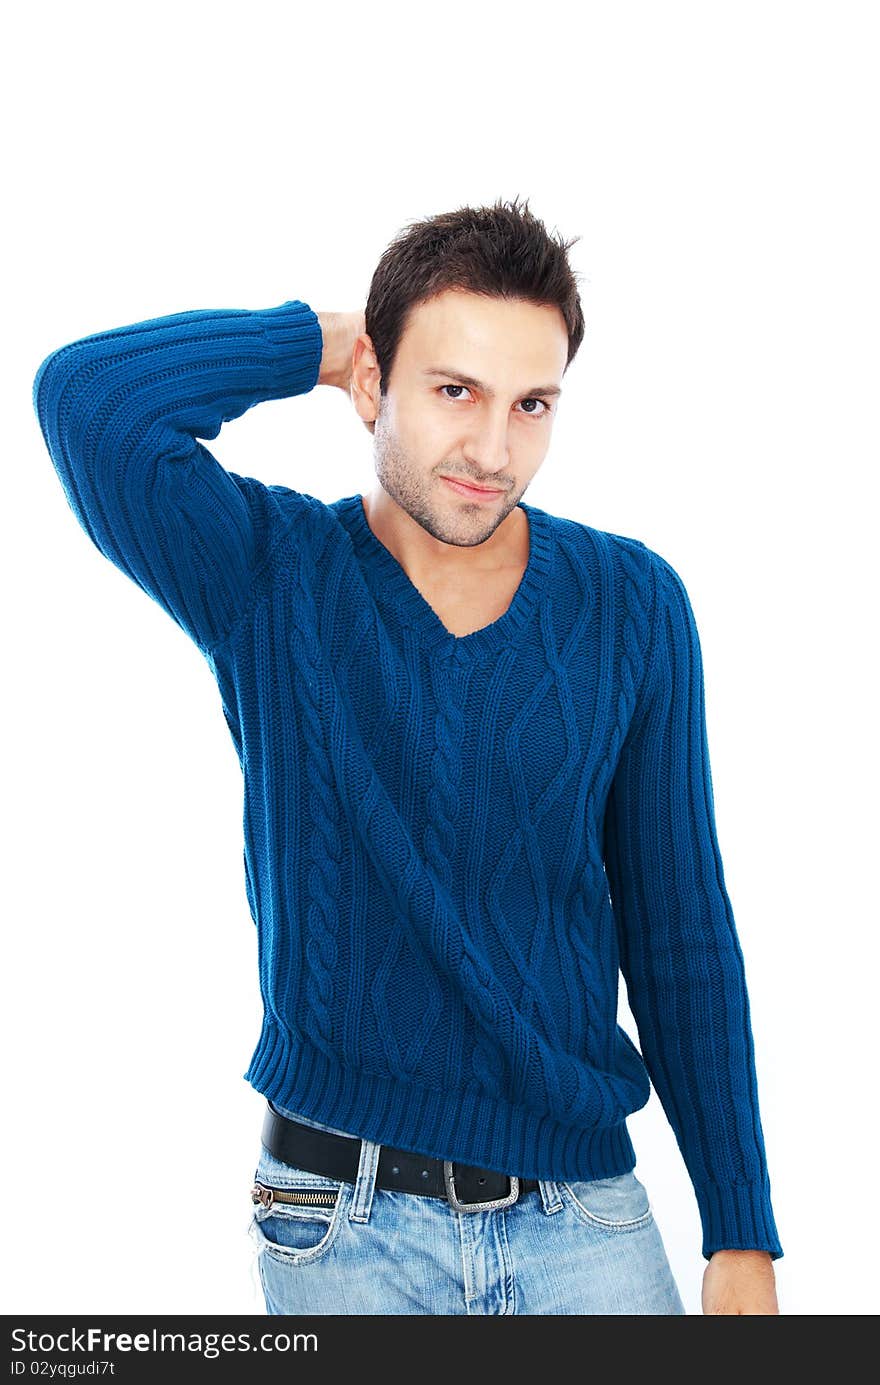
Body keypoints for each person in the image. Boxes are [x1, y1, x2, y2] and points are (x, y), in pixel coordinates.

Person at [32, 196, 782, 1315]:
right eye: (453, 391)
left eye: (531, 403)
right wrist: (330, 342)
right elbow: (88, 399)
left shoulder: (632, 604)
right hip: (341, 1222)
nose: (492, 448)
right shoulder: (268, 575)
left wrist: (739, 1229)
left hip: (583, 1213)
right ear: (378, 385)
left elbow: (679, 927)